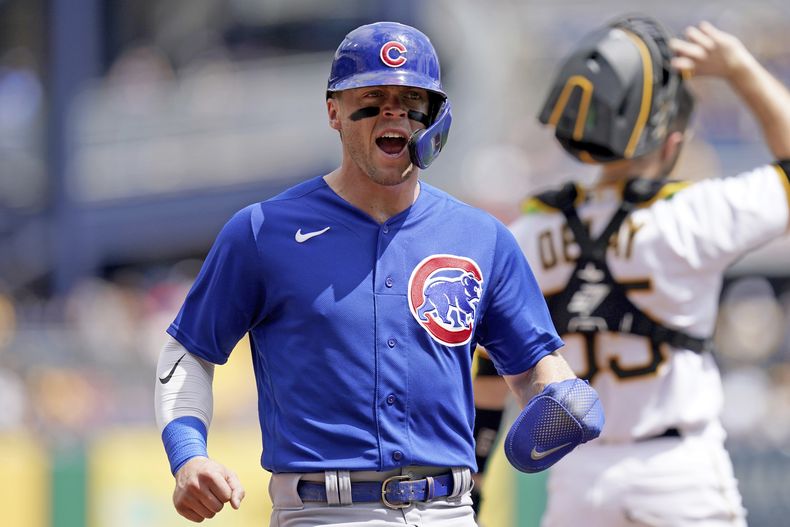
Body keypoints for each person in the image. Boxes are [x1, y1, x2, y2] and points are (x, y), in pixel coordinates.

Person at [154, 21, 603, 526]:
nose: (393, 112)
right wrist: (188, 454)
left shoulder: (482, 237)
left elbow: (532, 368)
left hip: (448, 512)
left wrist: (560, 392)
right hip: (323, 512)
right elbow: (189, 351)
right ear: (334, 112)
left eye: (411, 98)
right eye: (372, 95)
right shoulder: (262, 231)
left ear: (434, 116)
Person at [475, 14, 790, 526]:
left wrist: (478, 478)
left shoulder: (529, 232)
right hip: (678, 474)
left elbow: (490, 369)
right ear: (672, 141)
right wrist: (738, 67)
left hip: (576, 478)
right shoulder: (694, 214)